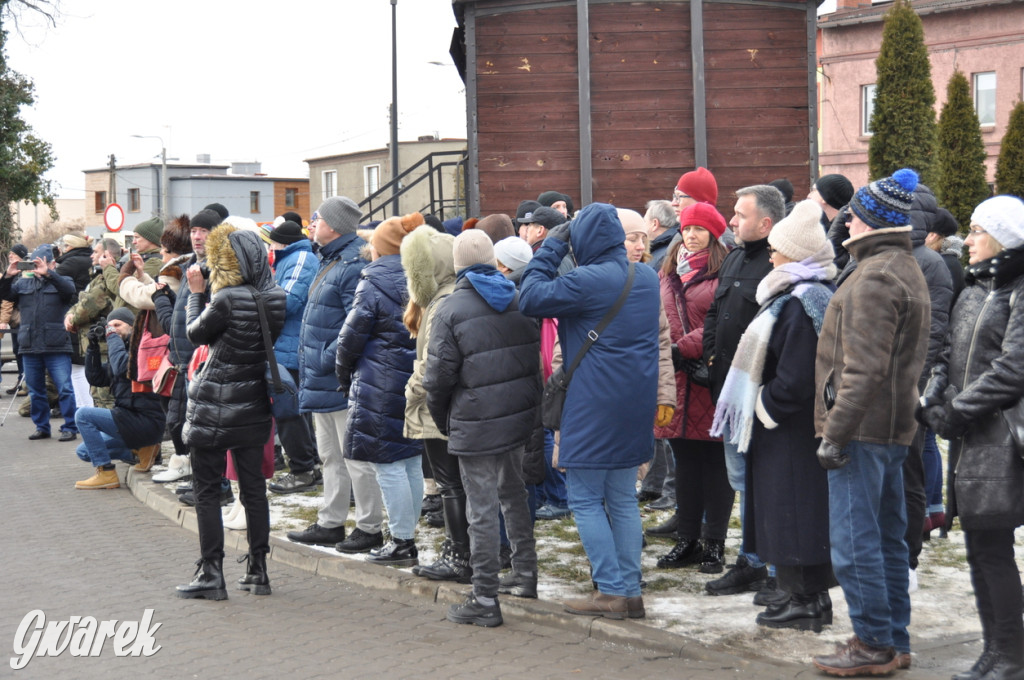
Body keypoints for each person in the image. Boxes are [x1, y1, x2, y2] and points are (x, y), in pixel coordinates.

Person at [811, 169, 929, 676]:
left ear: (871, 221)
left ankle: (872, 643)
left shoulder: (876, 276)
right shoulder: (900, 266)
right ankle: (892, 640)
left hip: (863, 430)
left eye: (854, 215)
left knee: (857, 542)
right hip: (891, 427)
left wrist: (834, 434)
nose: (846, 221)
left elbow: (863, 369)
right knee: (884, 540)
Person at [520, 203, 659, 621]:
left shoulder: (586, 281)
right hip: (634, 402)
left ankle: (612, 590)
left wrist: (551, 247)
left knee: (584, 498)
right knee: (621, 498)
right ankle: (630, 592)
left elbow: (529, 296)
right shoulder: (647, 276)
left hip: (593, 402)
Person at [712, 199, 837, 632]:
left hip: (789, 431)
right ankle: (805, 596)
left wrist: (761, 407)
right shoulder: (796, 293)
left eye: (777, 247)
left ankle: (804, 599)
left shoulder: (803, 300)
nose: (770, 253)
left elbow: (796, 377)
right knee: (790, 513)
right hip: (786, 430)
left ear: (796, 254)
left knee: (795, 515)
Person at [920, 195, 1024, 680]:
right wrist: (933, 398)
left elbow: (1012, 369)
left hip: (999, 440)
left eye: (980, 231)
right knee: (980, 548)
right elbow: (946, 353)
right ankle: (993, 651)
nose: (970, 240)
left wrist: (956, 412)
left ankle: (1009, 654)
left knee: (992, 546)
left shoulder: (1018, 290)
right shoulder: (976, 287)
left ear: (1004, 237)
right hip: (969, 437)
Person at [424, 230, 541, 627]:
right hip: (516, 415)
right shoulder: (520, 298)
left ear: (458, 264)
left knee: (482, 509)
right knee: (513, 495)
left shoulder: (450, 308)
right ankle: (525, 574)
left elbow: (437, 377)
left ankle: (485, 597)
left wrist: (444, 421)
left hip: (475, 419)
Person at [175, 225, 286, 600]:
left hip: (214, 404)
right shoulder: (276, 298)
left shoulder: (225, 299)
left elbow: (196, 334)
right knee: (254, 490)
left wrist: (196, 295)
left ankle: (211, 573)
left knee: (207, 490)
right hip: (253, 404)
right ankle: (259, 570)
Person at [286, 196, 386, 554]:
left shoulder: (351, 263)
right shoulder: (327, 260)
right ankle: (331, 522)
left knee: (356, 457)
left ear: (336, 225)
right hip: (322, 377)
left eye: (318, 219)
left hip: (340, 379)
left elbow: (355, 323)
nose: (312, 224)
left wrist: (328, 359)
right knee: (330, 455)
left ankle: (369, 527)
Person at [702, 185, 785, 597]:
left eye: (740, 215)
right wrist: (713, 357)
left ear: (766, 223)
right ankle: (751, 558)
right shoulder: (734, 257)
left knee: (763, 481)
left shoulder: (780, 263)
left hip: (762, 396)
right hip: (728, 391)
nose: (731, 221)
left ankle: (771, 564)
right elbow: (716, 311)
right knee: (740, 479)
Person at [336, 214, 422, 566]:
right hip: (414, 378)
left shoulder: (372, 281)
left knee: (387, 464)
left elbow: (350, 337)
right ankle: (408, 535)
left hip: (378, 382)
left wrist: (344, 376)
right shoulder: (421, 276)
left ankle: (402, 540)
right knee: (412, 460)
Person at [654, 203, 731, 575]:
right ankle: (686, 540)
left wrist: (682, 348)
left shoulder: (724, 270)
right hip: (676, 380)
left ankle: (714, 543)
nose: (692, 234)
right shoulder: (667, 271)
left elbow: (725, 321)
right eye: (687, 228)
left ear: (714, 234)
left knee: (715, 465)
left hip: (707, 377)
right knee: (684, 464)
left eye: (700, 229)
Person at [74, 307, 164, 489]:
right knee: (84, 451)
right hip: (129, 420)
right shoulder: (120, 352)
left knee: (83, 415)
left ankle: (107, 473)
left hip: (146, 420)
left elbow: (123, 367)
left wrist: (112, 336)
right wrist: (92, 347)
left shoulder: (141, 348)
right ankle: (141, 451)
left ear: (132, 326)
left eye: (118, 325)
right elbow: (96, 378)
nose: (113, 329)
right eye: (109, 326)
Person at [265, 220, 322, 494]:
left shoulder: (300, 258)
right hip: (287, 346)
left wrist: (256, 297)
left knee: (289, 412)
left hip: (290, 348)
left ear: (282, 243)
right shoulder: (293, 258)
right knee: (293, 412)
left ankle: (303, 470)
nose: (270, 248)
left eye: (272, 242)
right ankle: (307, 466)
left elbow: (287, 301)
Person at [0, 244, 78, 442]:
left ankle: (70, 426)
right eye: (33, 264)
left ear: (51, 263)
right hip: (30, 345)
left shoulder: (62, 281)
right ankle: (42, 427)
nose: (36, 268)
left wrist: (49, 274)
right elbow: (4, 295)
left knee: (65, 388)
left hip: (56, 344)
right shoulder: (23, 284)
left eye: (40, 263)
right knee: (36, 390)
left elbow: (69, 292)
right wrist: (8, 276)